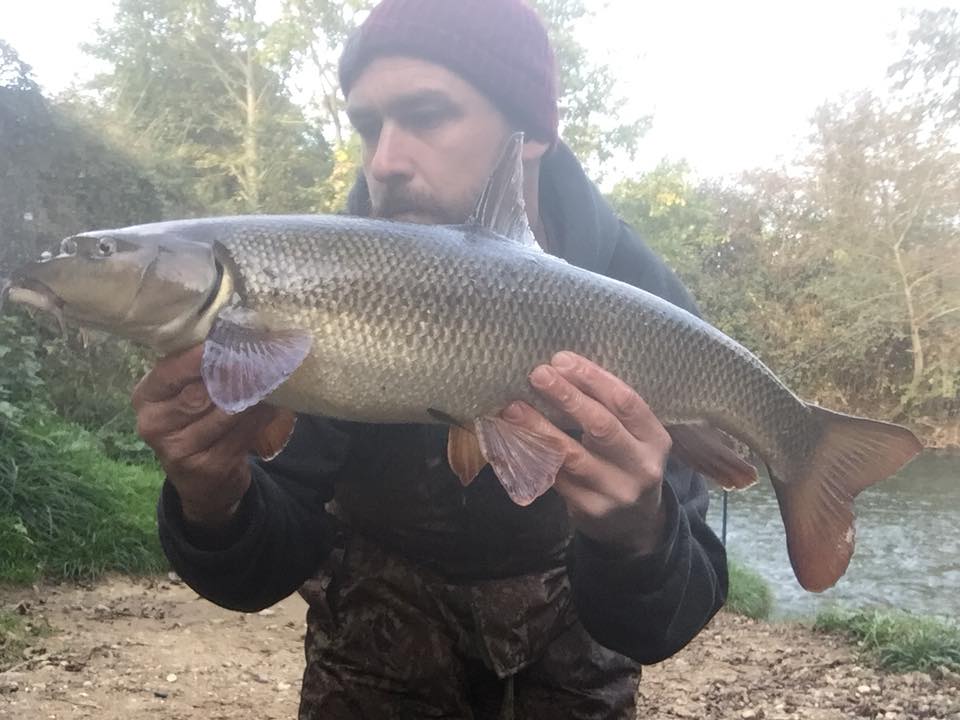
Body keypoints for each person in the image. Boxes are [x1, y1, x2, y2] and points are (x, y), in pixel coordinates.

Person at [134, 1, 728, 717]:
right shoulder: (314, 285)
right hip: (377, 641)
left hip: (577, 638)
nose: (385, 161)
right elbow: (262, 570)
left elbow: (669, 620)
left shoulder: (637, 294)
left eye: (427, 115)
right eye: (368, 127)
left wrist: (639, 537)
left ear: (533, 132)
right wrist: (212, 498)